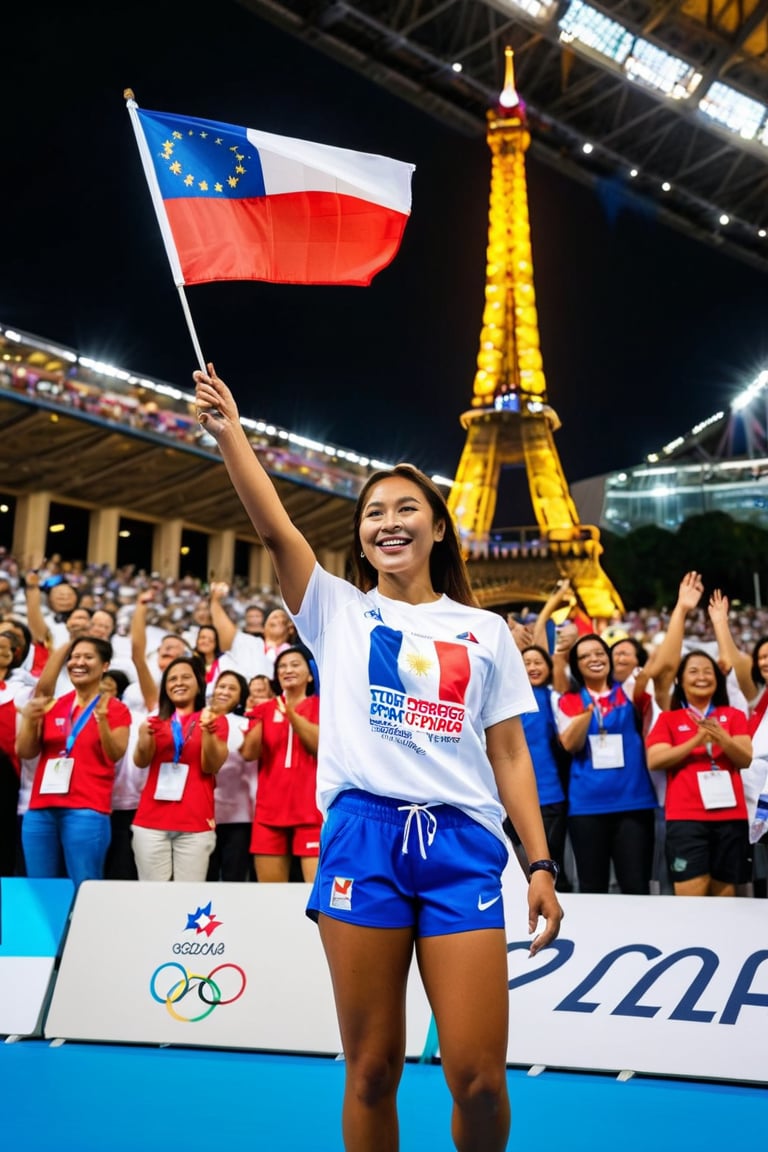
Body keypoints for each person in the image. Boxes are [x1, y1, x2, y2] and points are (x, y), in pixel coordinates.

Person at [194, 362, 562, 1152]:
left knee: (480, 1079)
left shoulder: (486, 631)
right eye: (372, 513)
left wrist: (539, 864)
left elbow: (510, 755)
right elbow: (273, 530)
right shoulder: (335, 610)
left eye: (406, 509)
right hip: (363, 836)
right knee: (370, 1070)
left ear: (438, 525)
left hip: (463, 847)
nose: (387, 522)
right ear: (360, 534)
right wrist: (232, 437)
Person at [16, 636, 131, 887]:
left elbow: (115, 754)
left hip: (86, 809)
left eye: (88, 657)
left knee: (84, 886)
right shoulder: (54, 705)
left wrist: (102, 723)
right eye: (75, 657)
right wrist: (28, 721)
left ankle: (87, 928)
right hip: (40, 808)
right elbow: (25, 751)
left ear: (104, 666)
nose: (79, 662)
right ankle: (49, 929)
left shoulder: (116, 709)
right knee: (41, 889)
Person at [645, 647, 753, 896]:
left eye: (708, 671)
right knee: (691, 899)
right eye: (693, 671)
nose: (701, 676)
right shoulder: (669, 719)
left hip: (731, 817)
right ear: (679, 681)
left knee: (726, 897)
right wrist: (696, 740)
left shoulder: (733, 715)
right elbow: (655, 760)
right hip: (686, 819)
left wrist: (721, 738)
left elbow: (745, 758)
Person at [557, 632, 658, 894]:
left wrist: (680, 610)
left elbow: (661, 666)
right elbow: (570, 744)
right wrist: (589, 712)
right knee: (593, 887)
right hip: (587, 808)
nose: (594, 659)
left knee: (636, 886)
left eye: (600, 653)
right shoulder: (568, 700)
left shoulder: (626, 690)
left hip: (634, 804)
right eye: (585, 656)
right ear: (576, 665)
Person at [131, 655, 228, 881]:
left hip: (195, 822)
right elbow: (140, 761)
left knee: (188, 899)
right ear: (165, 688)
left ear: (198, 683)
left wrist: (209, 733)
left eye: (186, 677)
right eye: (172, 679)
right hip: (150, 821)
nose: (179, 682)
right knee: (153, 897)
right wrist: (144, 737)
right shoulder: (155, 721)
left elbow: (211, 765)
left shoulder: (212, 719)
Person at [241, 644, 322, 883]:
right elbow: (249, 753)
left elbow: (319, 746)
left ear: (310, 674)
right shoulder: (265, 708)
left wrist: (290, 713)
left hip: (311, 811)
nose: (288, 670)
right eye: (282, 667)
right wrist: (256, 716)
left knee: (314, 895)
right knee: (269, 897)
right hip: (269, 812)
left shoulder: (322, 705)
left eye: (295, 664)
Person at [205, 669, 256, 882]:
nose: (224, 691)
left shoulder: (248, 723)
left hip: (240, 815)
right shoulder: (200, 718)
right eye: (221, 686)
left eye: (232, 688)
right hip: (205, 813)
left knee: (234, 879)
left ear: (240, 697)